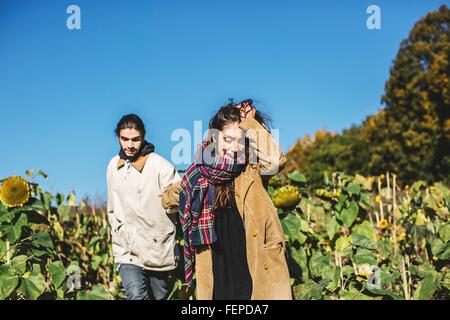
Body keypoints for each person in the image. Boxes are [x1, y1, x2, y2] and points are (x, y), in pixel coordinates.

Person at [162, 100, 292, 300]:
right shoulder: (200, 173)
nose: (234, 148)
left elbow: (275, 160)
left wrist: (248, 122)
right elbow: (173, 196)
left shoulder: (252, 168)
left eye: (240, 142)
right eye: (228, 140)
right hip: (217, 269)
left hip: (253, 265)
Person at [106, 114, 181, 300]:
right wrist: (118, 232)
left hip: (157, 249)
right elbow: (112, 207)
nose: (130, 145)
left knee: (159, 297)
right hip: (127, 250)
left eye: (135, 140)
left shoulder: (160, 166)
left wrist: (170, 199)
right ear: (118, 138)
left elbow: (181, 197)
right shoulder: (113, 166)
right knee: (136, 295)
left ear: (143, 137)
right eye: (125, 139)